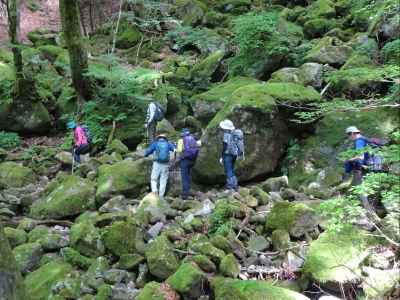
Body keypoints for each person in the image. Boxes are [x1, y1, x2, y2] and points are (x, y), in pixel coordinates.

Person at [144, 133, 176, 199]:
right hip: (166, 164)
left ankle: (154, 192)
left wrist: (145, 155)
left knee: (153, 179)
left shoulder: (155, 143)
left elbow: (148, 151)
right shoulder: (168, 144)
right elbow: (175, 150)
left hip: (157, 163)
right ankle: (161, 196)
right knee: (163, 180)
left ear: (158, 138)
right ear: (165, 138)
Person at [177, 128, 199, 199]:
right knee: (188, 176)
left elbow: (179, 150)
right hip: (192, 160)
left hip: (184, 160)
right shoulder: (193, 138)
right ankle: (189, 191)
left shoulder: (181, 140)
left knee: (184, 177)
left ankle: (185, 194)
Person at [219, 119, 239, 191]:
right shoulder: (235, 133)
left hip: (228, 155)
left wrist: (222, 157)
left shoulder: (226, 135)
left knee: (228, 170)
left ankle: (231, 185)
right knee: (231, 169)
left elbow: (224, 147)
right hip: (234, 154)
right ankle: (235, 184)